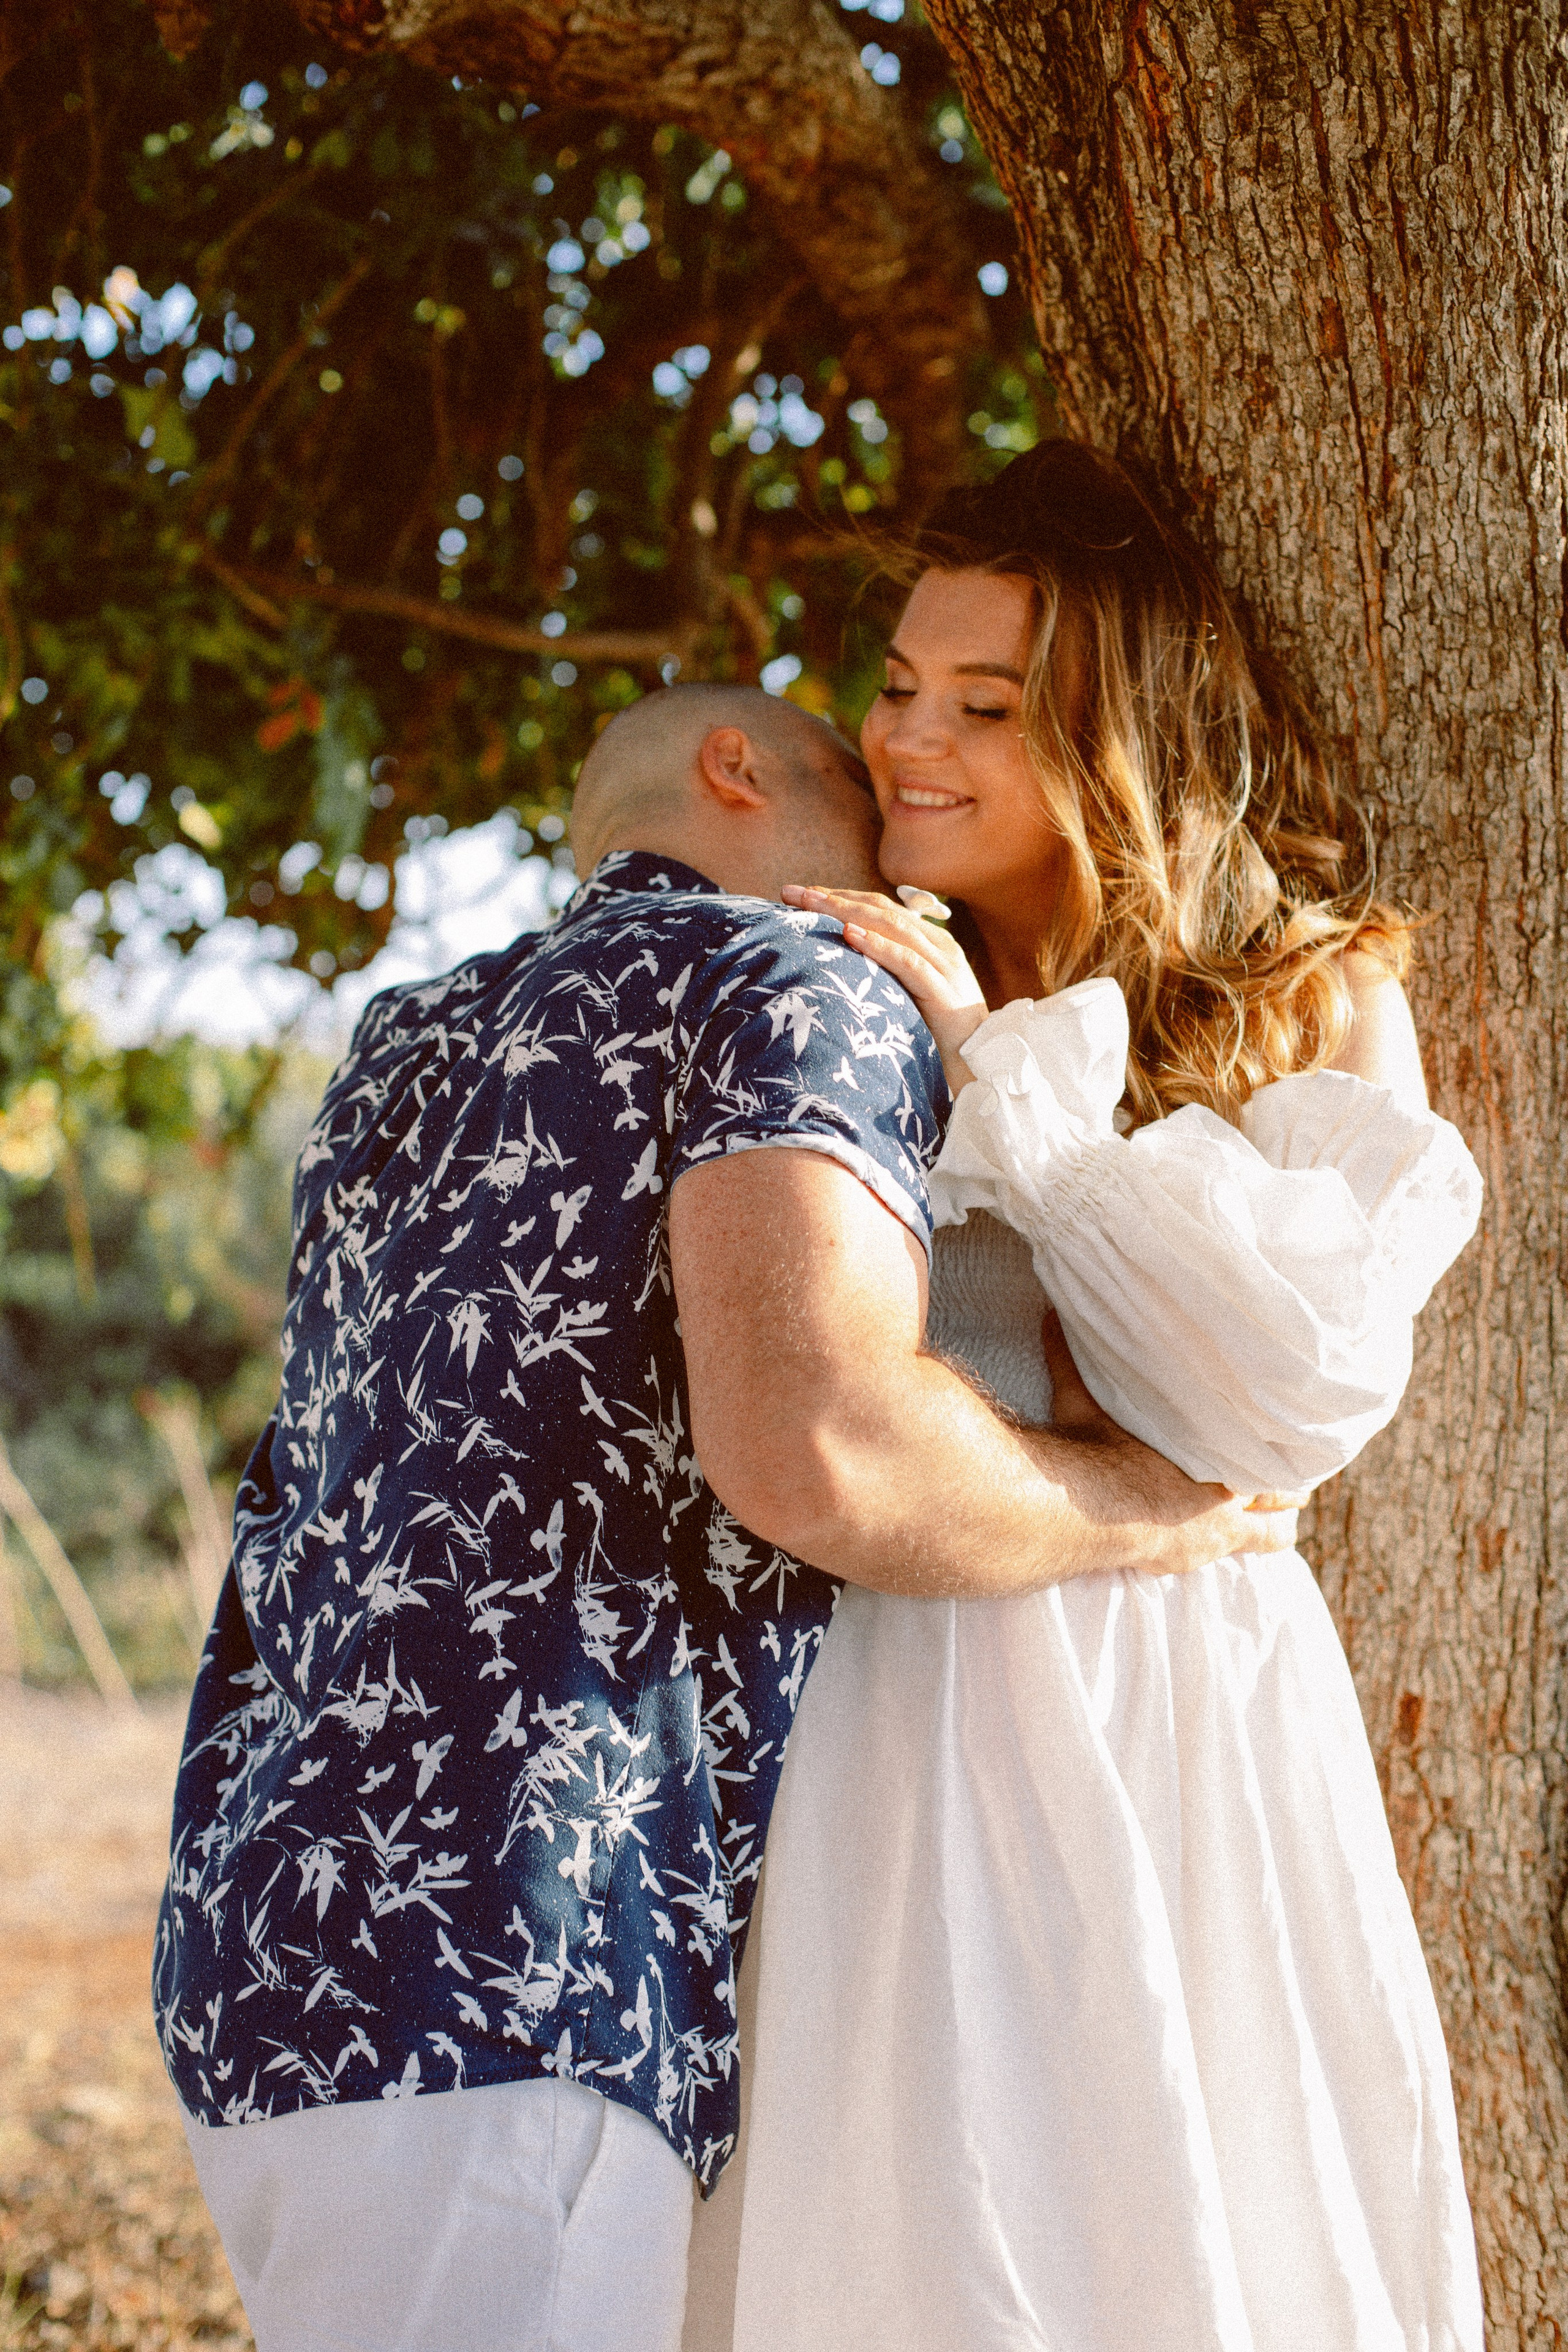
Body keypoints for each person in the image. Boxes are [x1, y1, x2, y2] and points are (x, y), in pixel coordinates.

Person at [153, 680, 1297, 2352]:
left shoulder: (406, 1038)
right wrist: (1158, 1510)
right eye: (857, 754)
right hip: (515, 1954)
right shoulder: (788, 976)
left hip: (257, 1927)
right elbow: (816, 1446)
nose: (901, 800)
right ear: (736, 766)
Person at [690, 445, 1487, 2351]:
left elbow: (1297, 1391)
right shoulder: (839, 981)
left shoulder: (1304, 992)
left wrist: (1013, 1081)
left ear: (1114, 737)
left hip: (1186, 1705)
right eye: (896, 684)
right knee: (921, 2220)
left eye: (986, 704)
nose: (904, 741)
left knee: (1180, 2214)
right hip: (899, 1695)